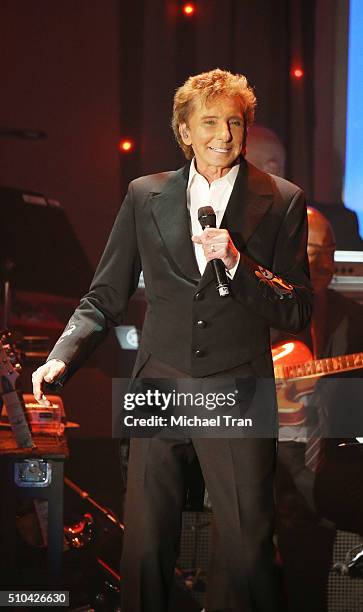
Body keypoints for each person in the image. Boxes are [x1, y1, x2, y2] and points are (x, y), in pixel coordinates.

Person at [32, 69, 312, 612]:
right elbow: (104, 296)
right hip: (159, 383)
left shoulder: (281, 200)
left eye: (234, 122)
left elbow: (297, 307)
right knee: (144, 549)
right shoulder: (145, 195)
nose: (224, 135)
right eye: (209, 122)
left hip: (237, 387)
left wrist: (237, 264)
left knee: (246, 553)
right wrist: (61, 356)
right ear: (184, 131)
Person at [273, 207, 363, 611]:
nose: (324, 262)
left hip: (324, 470)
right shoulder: (258, 314)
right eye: (313, 251)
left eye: (330, 251)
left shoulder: (353, 316)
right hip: (266, 473)